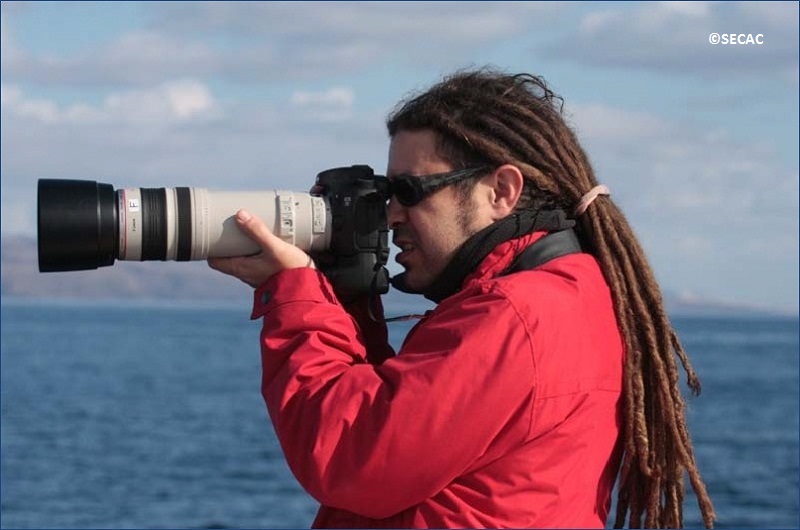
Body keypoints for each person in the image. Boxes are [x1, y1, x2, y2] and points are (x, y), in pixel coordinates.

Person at [208, 67, 715, 528]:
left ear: (501, 191)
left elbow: (350, 456)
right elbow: (403, 429)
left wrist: (297, 295)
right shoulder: (566, 295)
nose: (391, 216)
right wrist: (345, 301)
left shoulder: (517, 315)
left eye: (410, 191)